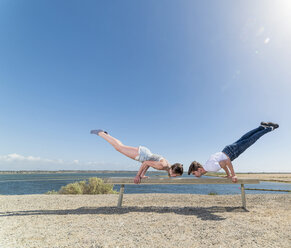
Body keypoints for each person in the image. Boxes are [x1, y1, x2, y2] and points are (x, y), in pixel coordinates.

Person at [188, 122, 279, 183]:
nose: (194, 176)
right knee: (245, 138)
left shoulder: (210, 167)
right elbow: (223, 164)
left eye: (194, 173)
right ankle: (261, 127)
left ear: (199, 169)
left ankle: (270, 128)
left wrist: (233, 175)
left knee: (251, 139)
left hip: (232, 152)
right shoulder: (208, 165)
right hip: (227, 150)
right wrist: (228, 175)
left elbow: (227, 161)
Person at [91, 129, 183, 184]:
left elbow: (149, 162)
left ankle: (106, 134)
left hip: (145, 153)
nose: (175, 176)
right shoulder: (162, 166)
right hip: (142, 155)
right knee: (119, 147)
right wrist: (138, 176)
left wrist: (142, 175)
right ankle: (101, 133)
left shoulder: (168, 165)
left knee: (120, 147)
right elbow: (146, 162)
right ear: (173, 170)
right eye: (176, 175)